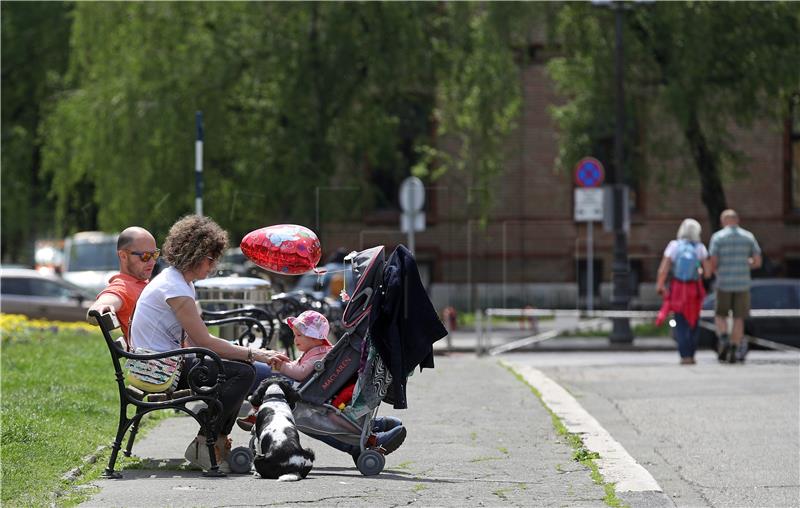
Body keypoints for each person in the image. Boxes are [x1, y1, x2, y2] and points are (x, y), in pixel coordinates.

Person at [129, 214, 278, 473]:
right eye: (211, 259)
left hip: (162, 361)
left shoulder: (177, 282)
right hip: (159, 367)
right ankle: (206, 442)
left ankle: (212, 441)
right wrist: (255, 353)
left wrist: (238, 353)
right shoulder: (175, 288)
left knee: (239, 369)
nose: (213, 266)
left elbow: (198, 340)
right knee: (242, 372)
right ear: (195, 254)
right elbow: (203, 341)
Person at [239, 310, 407, 459]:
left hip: (309, 392)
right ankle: (375, 427)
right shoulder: (315, 351)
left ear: (315, 337)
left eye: (299, 335)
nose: (295, 339)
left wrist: (282, 366)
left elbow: (301, 373)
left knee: (296, 406)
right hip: (314, 390)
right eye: (295, 334)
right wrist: (287, 363)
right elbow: (300, 368)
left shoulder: (318, 354)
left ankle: (370, 436)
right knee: (298, 407)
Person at [86, 226, 158, 344]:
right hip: (160, 358)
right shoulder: (123, 286)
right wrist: (101, 307)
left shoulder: (143, 283)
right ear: (123, 256)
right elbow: (105, 302)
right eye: (145, 256)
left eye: (155, 254)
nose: (152, 262)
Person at [708, 209, 762, 363]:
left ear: (723, 221)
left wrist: (719, 271)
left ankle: (724, 338)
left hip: (724, 283)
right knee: (739, 318)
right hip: (743, 283)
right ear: (737, 220)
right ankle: (734, 346)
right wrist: (745, 264)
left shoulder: (717, 237)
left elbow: (713, 262)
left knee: (720, 315)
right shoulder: (748, 236)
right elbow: (757, 261)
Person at [655, 218, 709, 365]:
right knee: (694, 321)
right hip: (694, 290)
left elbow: (663, 269)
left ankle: (684, 355)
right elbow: (708, 272)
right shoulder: (700, 248)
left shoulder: (674, 246)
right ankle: (691, 355)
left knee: (680, 322)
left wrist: (660, 285)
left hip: (678, 288)